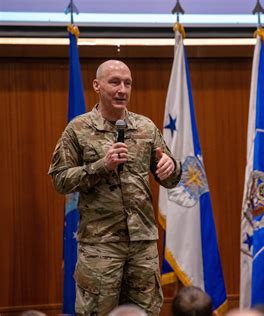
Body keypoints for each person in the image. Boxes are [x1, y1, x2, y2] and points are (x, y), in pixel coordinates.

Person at [49, 59, 181, 315]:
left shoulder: (145, 127)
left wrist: (171, 167)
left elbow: (170, 177)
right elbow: (59, 180)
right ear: (97, 86)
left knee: (146, 312)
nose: (122, 89)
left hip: (142, 241)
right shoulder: (78, 129)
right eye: (115, 82)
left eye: (127, 83)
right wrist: (101, 165)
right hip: (101, 244)